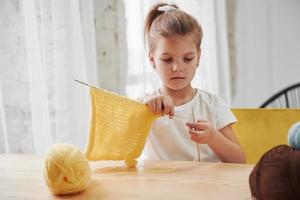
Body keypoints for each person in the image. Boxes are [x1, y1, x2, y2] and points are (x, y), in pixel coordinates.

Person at [140, 3, 246, 163]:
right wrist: (141, 108)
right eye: (167, 59)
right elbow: (116, 149)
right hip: (161, 187)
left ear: (198, 57)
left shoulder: (212, 104)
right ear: (152, 59)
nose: (177, 67)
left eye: (188, 58)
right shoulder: (144, 106)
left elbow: (240, 161)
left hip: (207, 186)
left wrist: (214, 138)